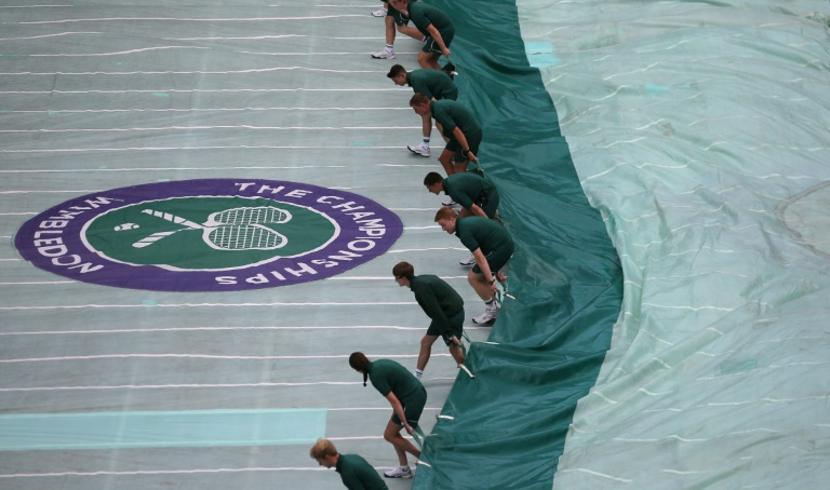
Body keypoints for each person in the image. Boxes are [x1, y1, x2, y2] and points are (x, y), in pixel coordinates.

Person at [349, 352, 427, 479]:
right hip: (414, 394)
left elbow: (394, 401)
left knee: (389, 435)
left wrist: (406, 423)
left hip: (413, 399)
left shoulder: (375, 376)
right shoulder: (379, 364)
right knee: (392, 434)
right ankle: (404, 468)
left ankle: (423, 457)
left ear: (357, 369)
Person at [434, 207, 513, 325]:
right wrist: (494, 272)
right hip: (503, 245)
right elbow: (485, 248)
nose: (443, 229)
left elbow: (480, 258)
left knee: (473, 277)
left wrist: (491, 281)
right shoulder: (465, 224)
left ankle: (492, 312)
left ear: (451, 219)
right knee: (482, 276)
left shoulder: (464, 231)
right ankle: (495, 306)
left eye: (443, 225)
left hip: (501, 248)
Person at [393, 261, 466, 378]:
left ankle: (469, 370)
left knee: (453, 347)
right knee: (426, 342)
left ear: (404, 278)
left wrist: (450, 333)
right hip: (448, 312)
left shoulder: (420, 289)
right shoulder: (422, 280)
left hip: (450, 315)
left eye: (397, 278)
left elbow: (436, 312)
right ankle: (417, 375)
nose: (396, 280)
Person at [387, 64, 458, 157]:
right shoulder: (413, 77)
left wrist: (439, 113)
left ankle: (455, 151)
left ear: (402, 75)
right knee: (426, 114)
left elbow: (433, 102)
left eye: (395, 80)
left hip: (448, 92)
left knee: (440, 122)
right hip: (443, 90)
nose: (395, 84)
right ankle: (425, 146)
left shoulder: (416, 81)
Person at [409, 93, 481, 175]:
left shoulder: (438, 111)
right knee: (444, 159)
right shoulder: (435, 107)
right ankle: (454, 184)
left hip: (469, 135)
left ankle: (461, 184)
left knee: (459, 169)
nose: (416, 112)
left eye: (415, 109)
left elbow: (456, 130)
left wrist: (468, 151)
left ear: (423, 105)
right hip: (458, 136)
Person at [388, 0, 455, 73]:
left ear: (404, 2)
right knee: (430, 60)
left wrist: (444, 48)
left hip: (443, 32)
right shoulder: (409, 8)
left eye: (395, 3)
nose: (393, 5)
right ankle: (445, 79)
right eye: (391, 3)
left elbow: (433, 31)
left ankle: (437, 81)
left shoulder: (416, 13)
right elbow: (402, 26)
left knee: (422, 59)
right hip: (443, 29)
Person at [310, 438, 388, 490]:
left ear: (327, 457)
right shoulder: (352, 457)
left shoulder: (347, 472)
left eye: (319, 461)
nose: (320, 464)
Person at [423, 171, 499, 219]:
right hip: (481, 193)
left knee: (484, 223)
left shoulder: (453, 191)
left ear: (436, 184)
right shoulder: (449, 181)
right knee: (462, 219)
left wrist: (487, 222)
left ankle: (494, 218)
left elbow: (475, 208)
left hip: (489, 195)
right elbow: (467, 206)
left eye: (429, 188)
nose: (429, 191)